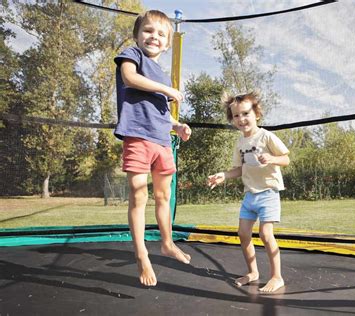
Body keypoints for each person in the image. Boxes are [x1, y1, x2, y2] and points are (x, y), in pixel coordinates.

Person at [114, 10, 192, 286]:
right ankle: (141, 255)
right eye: (148, 31)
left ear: (168, 43)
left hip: (161, 140)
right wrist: (170, 91)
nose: (154, 37)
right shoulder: (132, 55)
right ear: (137, 35)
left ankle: (167, 243)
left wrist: (176, 126)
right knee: (138, 195)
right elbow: (129, 79)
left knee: (163, 196)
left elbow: (159, 112)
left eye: (161, 34)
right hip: (137, 136)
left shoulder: (161, 73)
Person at [207, 92, 290, 293]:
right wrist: (224, 176)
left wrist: (272, 158)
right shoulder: (240, 143)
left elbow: (286, 159)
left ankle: (277, 277)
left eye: (245, 113)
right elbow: (239, 169)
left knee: (265, 234)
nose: (241, 119)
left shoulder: (266, 136)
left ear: (257, 114)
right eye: (236, 116)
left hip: (268, 193)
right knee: (243, 234)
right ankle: (253, 272)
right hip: (250, 195)